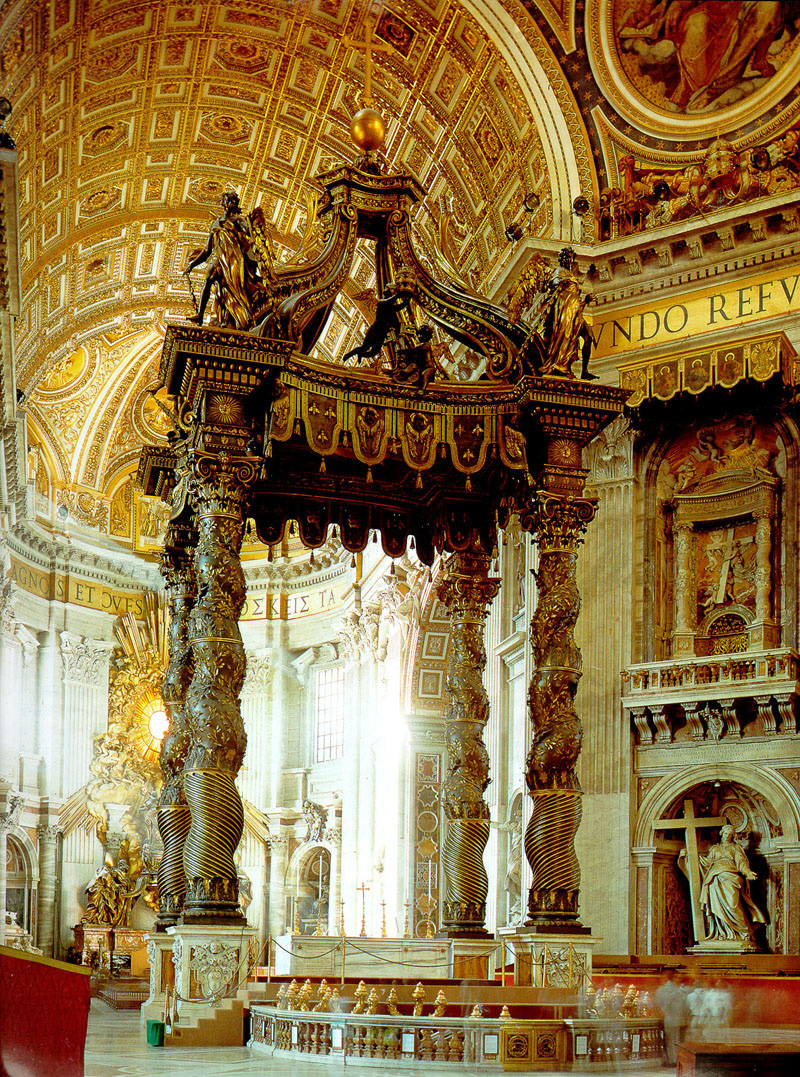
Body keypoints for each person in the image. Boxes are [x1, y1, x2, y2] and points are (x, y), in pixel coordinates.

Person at [184, 191, 272, 329]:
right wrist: (192, 265)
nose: (231, 204)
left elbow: (251, 234)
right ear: (223, 203)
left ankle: (230, 319)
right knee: (208, 280)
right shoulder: (215, 224)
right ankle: (200, 314)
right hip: (218, 258)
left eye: (233, 201)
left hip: (234, 260)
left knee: (229, 289)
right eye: (228, 201)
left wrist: (255, 224)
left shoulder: (238, 220)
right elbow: (207, 250)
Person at [534, 247, 596, 379]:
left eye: (571, 258)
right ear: (562, 259)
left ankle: (584, 370)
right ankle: (559, 364)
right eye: (567, 258)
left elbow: (575, 302)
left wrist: (585, 301)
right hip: (564, 310)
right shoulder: (559, 272)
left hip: (575, 310)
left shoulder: (571, 275)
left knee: (589, 337)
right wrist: (559, 283)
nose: (569, 261)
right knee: (564, 336)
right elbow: (553, 284)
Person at [699, 824, 767, 943]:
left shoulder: (736, 848)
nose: (727, 836)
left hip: (731, 879)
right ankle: (723, 933)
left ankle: (744, 931)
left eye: (730, 835)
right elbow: (707, 863)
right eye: (726, 833)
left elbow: (741, 863)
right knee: (717, 907)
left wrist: (748, 872)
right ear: (722, 833)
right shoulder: (715, 849)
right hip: (715, 879)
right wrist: (691, 856)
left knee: (733, 904)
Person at [654, 970, 688, 1064]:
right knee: (677, 1040)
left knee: (669, 1040)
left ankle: (672, 1060)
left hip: (668, 1018)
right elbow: (685, 1005)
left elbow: (658, 1003)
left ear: (665, 977)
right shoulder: (678, 989)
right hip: (679, 1018)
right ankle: (678, 1059)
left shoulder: (663, 989)